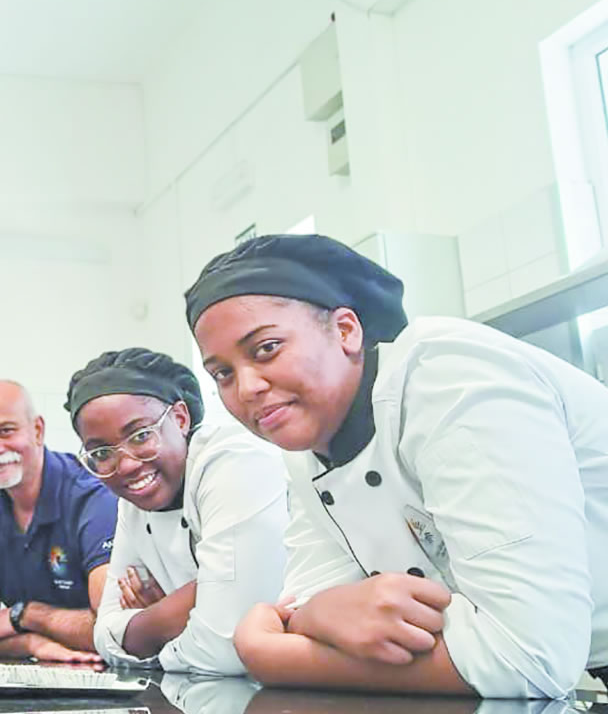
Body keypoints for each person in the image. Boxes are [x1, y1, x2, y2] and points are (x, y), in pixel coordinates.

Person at [186, 234, 608, 697]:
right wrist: (318, 614)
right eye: (222, 373)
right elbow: (303, 610)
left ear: (347, 331)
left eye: (266, 348)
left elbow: (530, 655)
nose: (246, 388)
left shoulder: (447, 374)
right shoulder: (307, 453)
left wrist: (273, 657)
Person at [67, 348, 288, 674]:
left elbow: (226, 647)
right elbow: (105, 633)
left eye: (141, 435)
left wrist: (155, 624)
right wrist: (198, 602)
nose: (126, 465)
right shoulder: (133, 505)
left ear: (181, 418)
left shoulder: (235, 462)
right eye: (101, 453)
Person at [0, 380, 117, 662]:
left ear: (38, 430)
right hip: (46, 668)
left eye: (5, 431)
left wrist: (26, 615)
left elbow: (113, 628)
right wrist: (34, 644)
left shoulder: (94, 499)